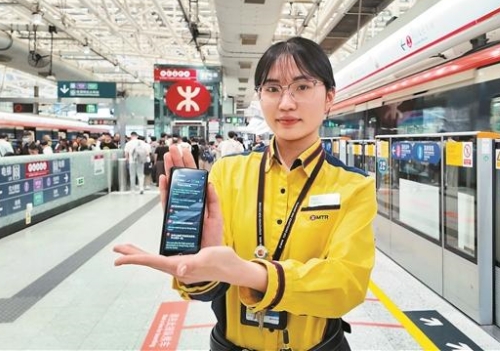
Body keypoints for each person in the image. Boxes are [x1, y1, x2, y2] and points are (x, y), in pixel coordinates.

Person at [113, 37, 377, 350]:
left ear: (329, 96)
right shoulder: (228, 172)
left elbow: (346, 284)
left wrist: (251, 274)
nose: (286, 103)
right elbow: (210, 284)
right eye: (272, 88)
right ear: (260, 95)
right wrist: (194, 267)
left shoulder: (353, 186)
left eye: (302, 86)